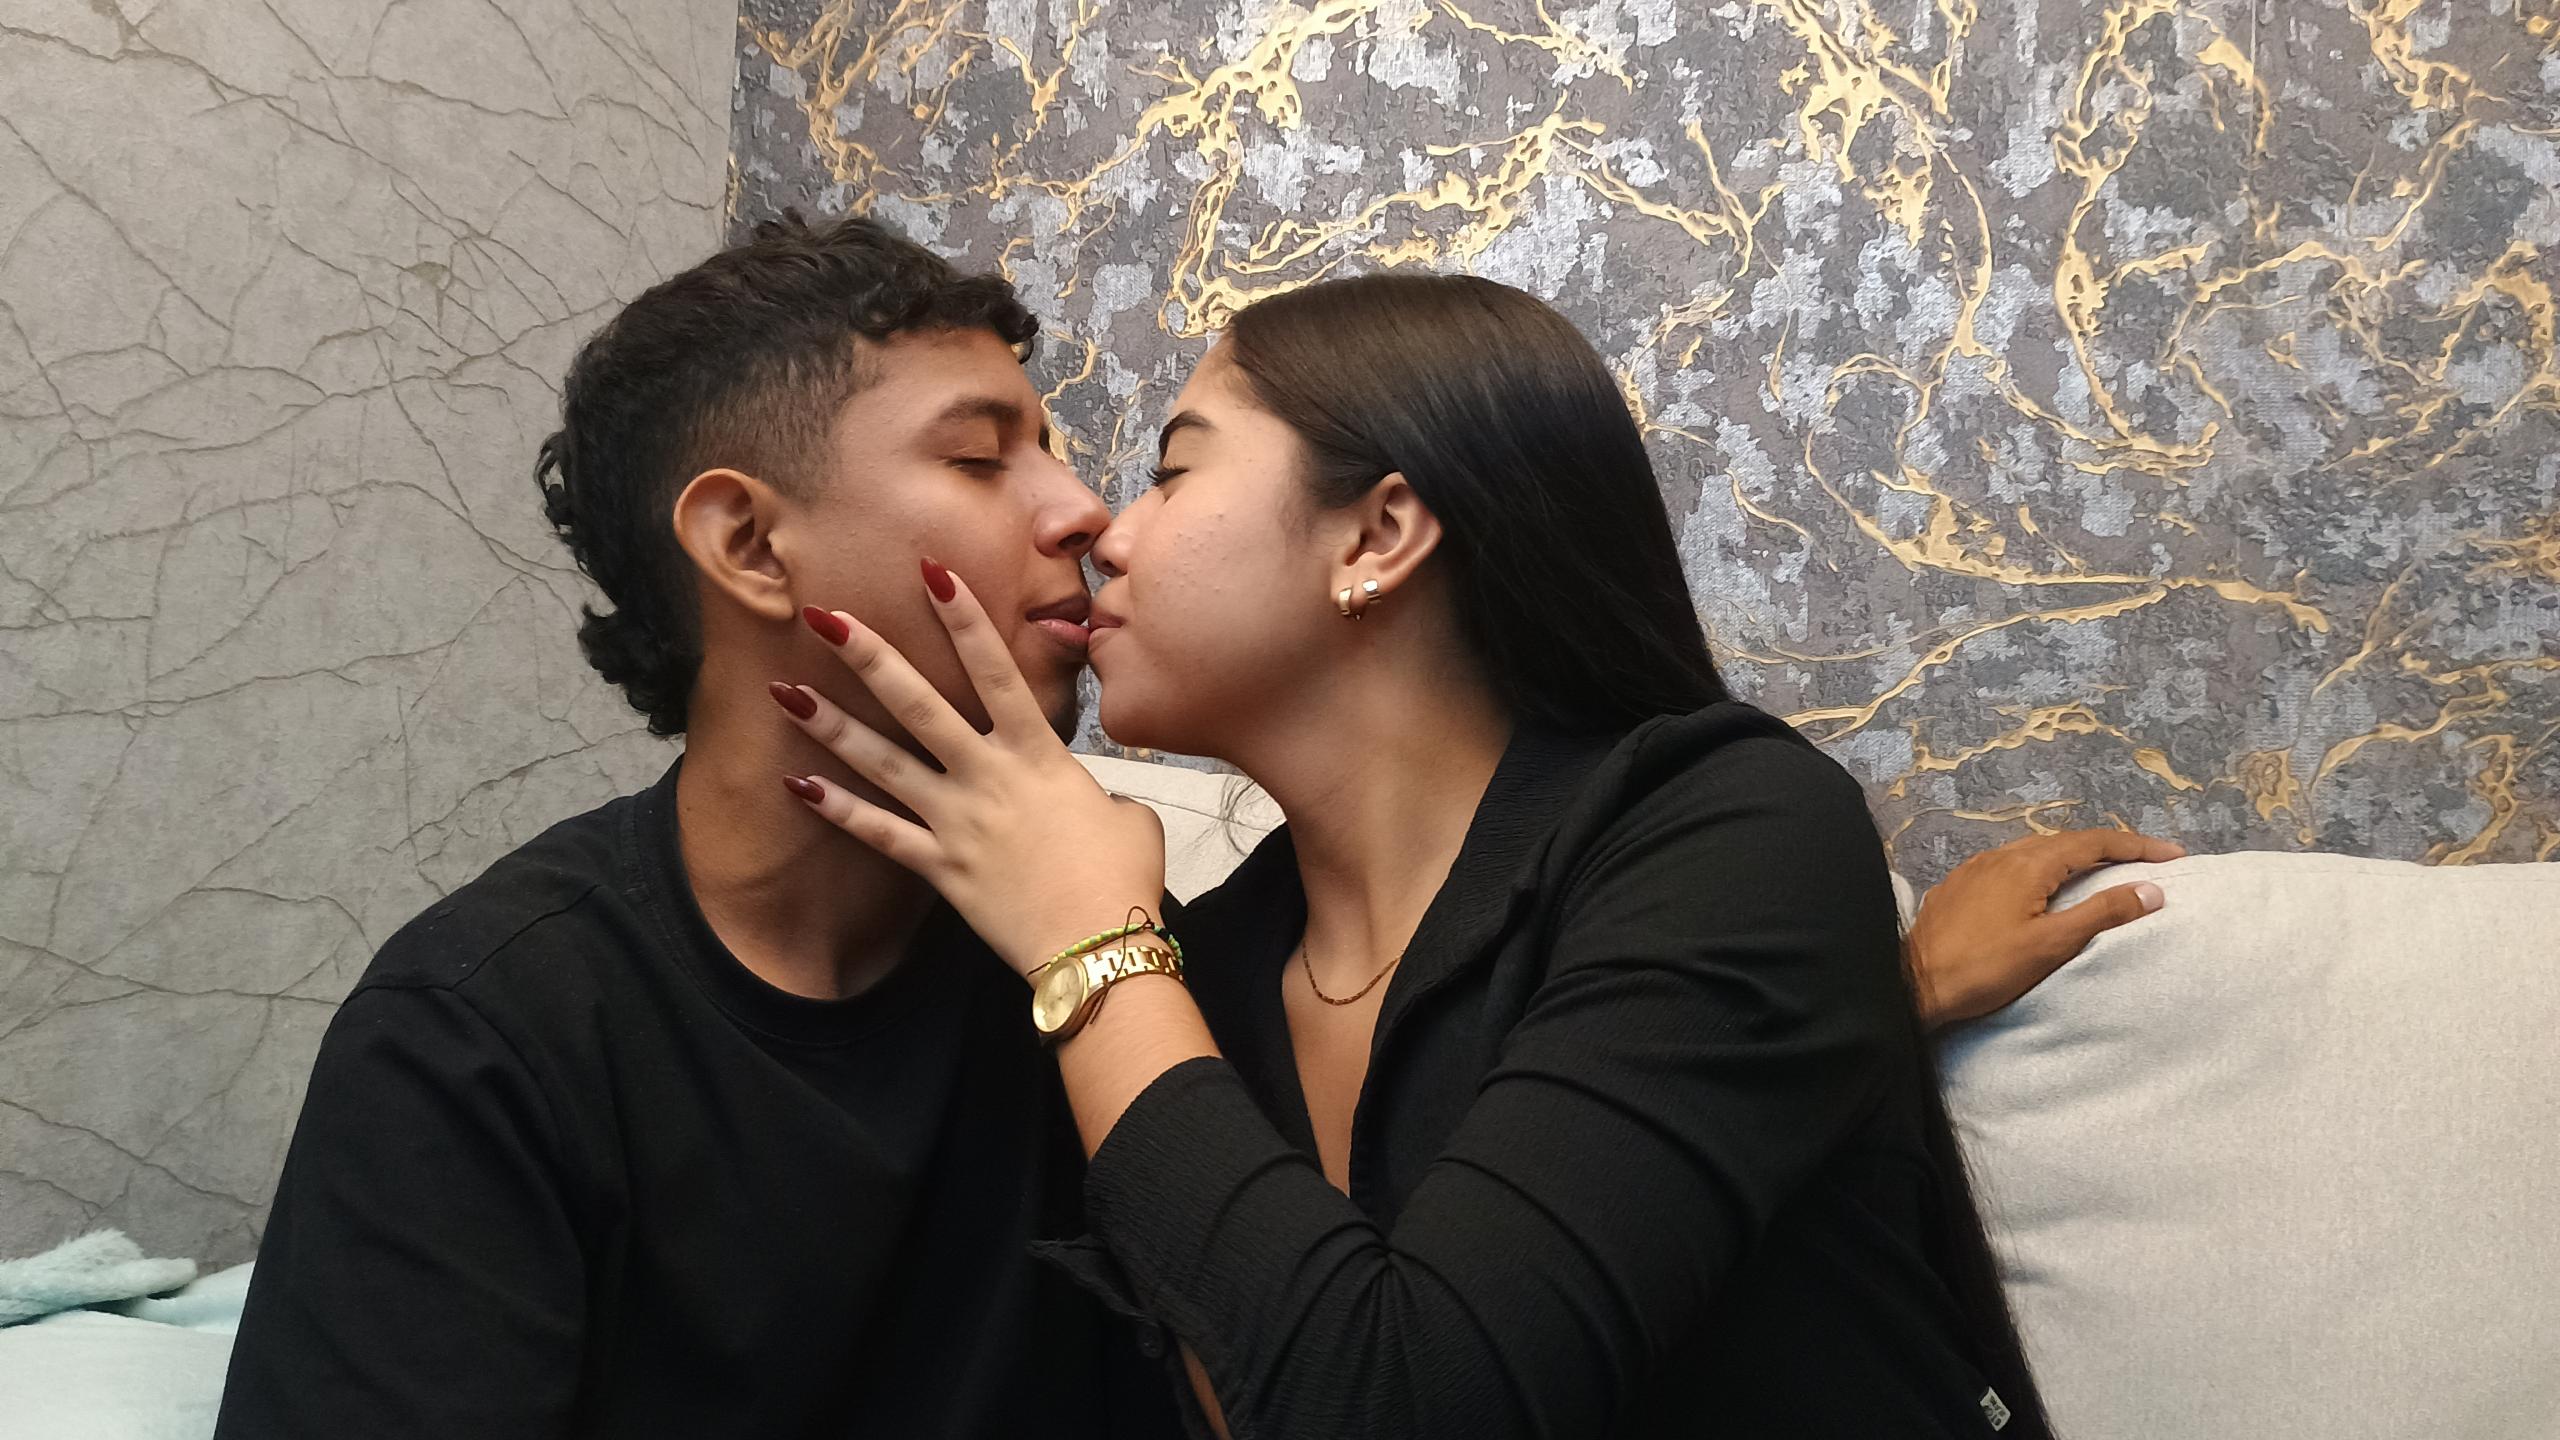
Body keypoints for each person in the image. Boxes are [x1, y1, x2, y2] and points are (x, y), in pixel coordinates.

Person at [766, 272, 2176, 1438]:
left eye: (1173, 473)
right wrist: (1880, 1002)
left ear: (1379, 533)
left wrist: (1088, 945)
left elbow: (1410, 1399)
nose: (1103, 533)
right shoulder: (1214, 967)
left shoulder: (1725, 824)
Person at [215, 214, 1179, 1439]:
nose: (1085, 512)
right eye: (982, 459)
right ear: (749, 544)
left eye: (1050, 451)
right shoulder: (479, 1038)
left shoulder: (1101, 953)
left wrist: (1110, 952)